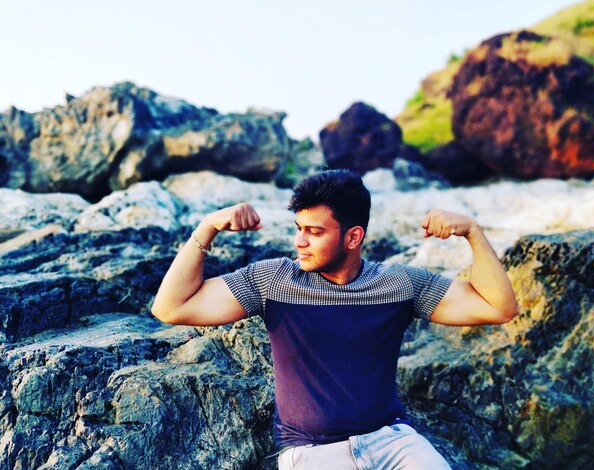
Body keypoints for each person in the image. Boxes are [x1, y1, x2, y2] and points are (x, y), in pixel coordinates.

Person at [151, 169, 519, 469]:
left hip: (392, 441)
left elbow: (498, 307)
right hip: (312, 452)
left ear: (353, 236)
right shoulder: (274, 281)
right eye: (298, 228)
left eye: (314, 232)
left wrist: (472, 232)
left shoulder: (399, 284)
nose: (300, 242)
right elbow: (171, 308)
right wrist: (207, 228)